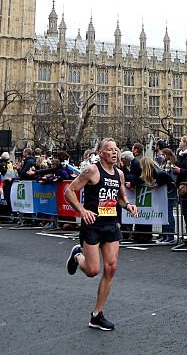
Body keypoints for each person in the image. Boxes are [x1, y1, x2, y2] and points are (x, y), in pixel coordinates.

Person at [64, 138, 137, 331]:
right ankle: (77, 255)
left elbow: (121, 198)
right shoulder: (92, 171)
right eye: (110, 150)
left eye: (116, 149)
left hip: (111, 225)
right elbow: (69, 191)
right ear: (102, 153)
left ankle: (97, 315)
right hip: (93, 225)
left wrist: (128, 205)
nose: (114, 152)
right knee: (92, 271)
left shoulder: (120, 174)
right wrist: (82, 210)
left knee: (111, 268)